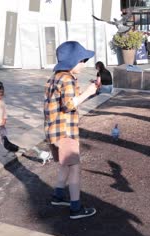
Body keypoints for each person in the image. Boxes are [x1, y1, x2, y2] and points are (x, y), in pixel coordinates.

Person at [44, 41, 98, 220]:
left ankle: (58, 196)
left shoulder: (54, 77)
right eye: (82, 60)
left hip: (54, 131)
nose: (84, 64)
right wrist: (89, 92)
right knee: (74, 167)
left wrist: (92, 91)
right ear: (72, 61)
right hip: (65, 131)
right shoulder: (67, 79)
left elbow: (72, 101)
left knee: (66, 164)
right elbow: (68, 105)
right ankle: (76, 208)